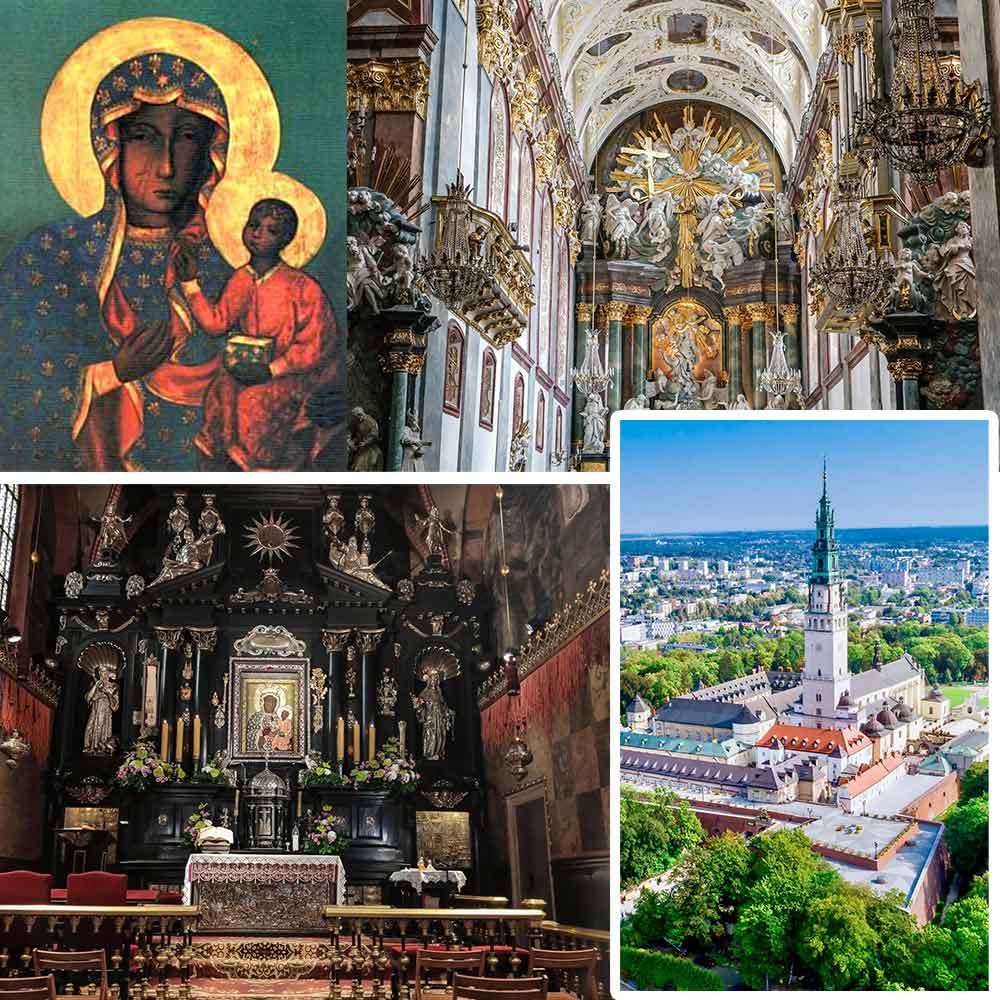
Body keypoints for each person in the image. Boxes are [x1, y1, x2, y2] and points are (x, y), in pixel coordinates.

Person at [0, 51, 236, 469]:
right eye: (144, 136)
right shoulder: (51, 257)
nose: (165, 166)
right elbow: (16, 391)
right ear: (112, 148)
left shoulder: (224, 274)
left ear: (210, 156)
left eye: (186, 139)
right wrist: (113, 371)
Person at [175, 198, 339, 469]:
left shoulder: (302, 287)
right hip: (248, 369)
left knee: (254, 401)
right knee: (222, 390)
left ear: (285, 239)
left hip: (289, 377)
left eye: (271, 230)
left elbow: (314, 344)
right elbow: (217, 322)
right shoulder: (242, 278)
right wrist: (190, 283)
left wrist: (271, 369)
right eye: (253, 225)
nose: (257, 234)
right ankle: (230, 467)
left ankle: (259, 470)